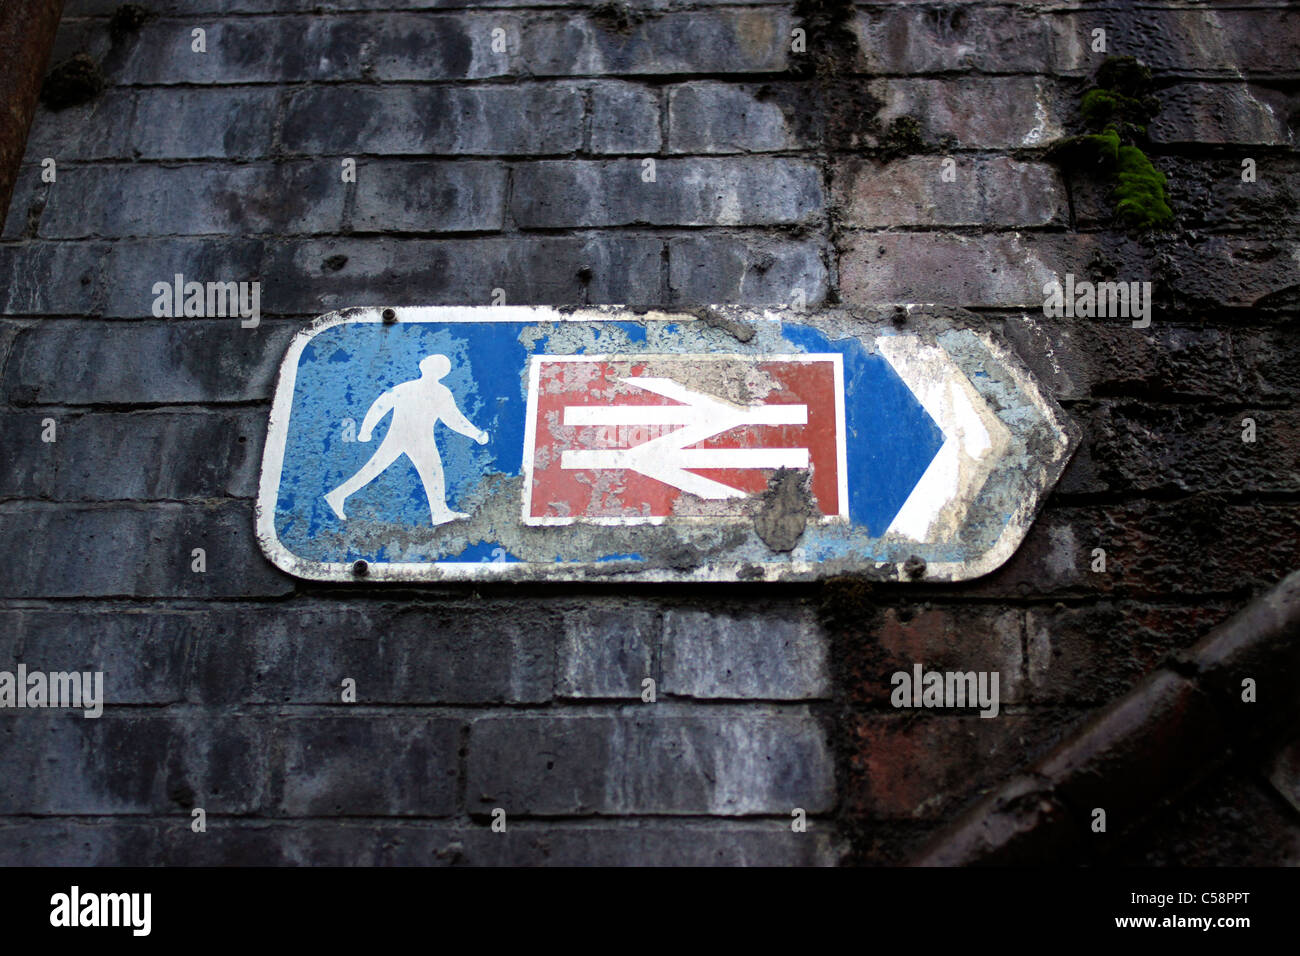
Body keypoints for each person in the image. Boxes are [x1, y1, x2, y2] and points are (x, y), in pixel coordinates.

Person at [324, 354, 489, 526]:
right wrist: (365, 430)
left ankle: (439, 511)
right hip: (407, 437)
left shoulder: (430, 391)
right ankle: (337, 496)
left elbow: (454, 419)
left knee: (428, 472)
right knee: (380, 469)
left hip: (416, 437)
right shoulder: (419, 390)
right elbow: (380, 406)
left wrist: (475, 434)